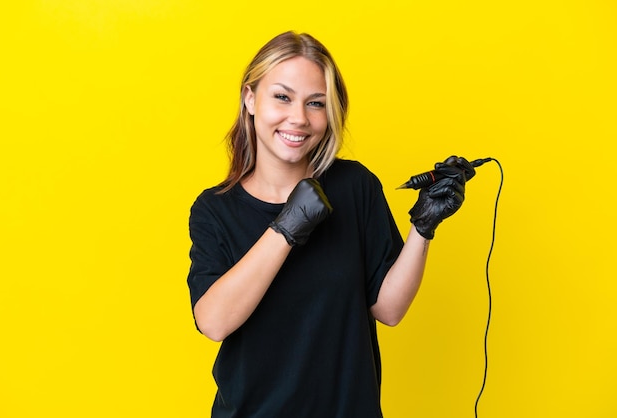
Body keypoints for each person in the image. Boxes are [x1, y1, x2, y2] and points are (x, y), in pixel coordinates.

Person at [186, 31, 475, 418]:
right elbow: (214, 322)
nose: (299, 118)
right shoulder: (215, 209)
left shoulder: (355, 186)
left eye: (316, 103)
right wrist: (287, 226)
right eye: (282, 97)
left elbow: (388, 309)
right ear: (250, 99)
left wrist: (423, 228)